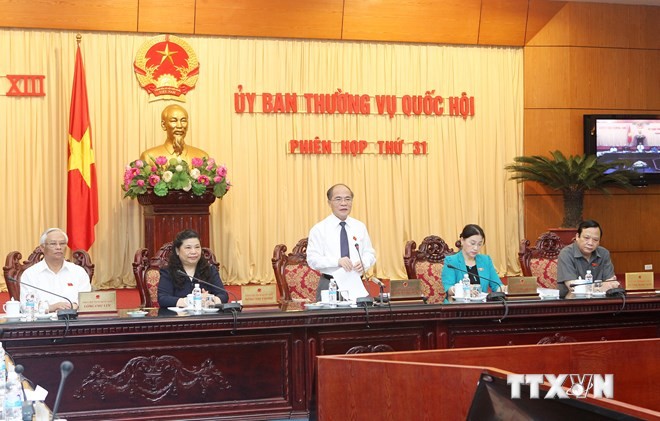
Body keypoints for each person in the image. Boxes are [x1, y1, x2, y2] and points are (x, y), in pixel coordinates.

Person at [307, 184, 376, 302]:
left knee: (358, 319)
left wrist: (364, 262)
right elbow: (312, 260)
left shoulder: (359, 227)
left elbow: (370, 254)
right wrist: (337, 261)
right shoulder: (319, 229)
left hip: (356, 284)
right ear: (329, 202)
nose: (344, 203)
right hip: (330, 284)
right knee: (328, 320)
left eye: (348, 199)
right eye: (338, 199)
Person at [20, 228, 91, 312]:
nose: (58, 247)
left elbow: (87, 302)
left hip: (73, 321)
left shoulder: (78, 272)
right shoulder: (30, 274)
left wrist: (72, 307)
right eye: (53, 244)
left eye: (62, 243)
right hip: (42, 323)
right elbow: (25, 306)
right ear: (42, 248)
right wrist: (51, 307)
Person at [157, 229, 229, 308]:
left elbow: (224, 295)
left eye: (197, 247)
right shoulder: (168, 271)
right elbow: (163, 299)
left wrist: (211, 299)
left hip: (205, 318)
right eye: (188, 248)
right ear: (177, 251)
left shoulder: (210, 270)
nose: (194, 252)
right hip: (177, 318)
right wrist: (189, 301)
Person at [557, 219, 620, 298]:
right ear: (577, 237)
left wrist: (607, 285)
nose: (590, 243)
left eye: (595, 240)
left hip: (600, 303)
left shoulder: (604, 253)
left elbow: (612, 284)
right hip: (571, 304)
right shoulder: (566, 253)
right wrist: (601, 287)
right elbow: (573, 288)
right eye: (586, 238)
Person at [441, 224, 503, 298]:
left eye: (479, 244)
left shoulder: (486, 260)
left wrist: (504, 289)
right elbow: (448, 289)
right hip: (458, 306)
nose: (476, 248)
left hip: (482, 306)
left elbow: (496, 285)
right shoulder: (451, 261)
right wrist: (463, 289)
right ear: (462, 240)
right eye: (472, 243)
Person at [140, 104, 209, 164]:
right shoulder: (148, 158)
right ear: (164, 125)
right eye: (173, 121)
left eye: (183, 121)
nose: (179, 126)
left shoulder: (202, 157)